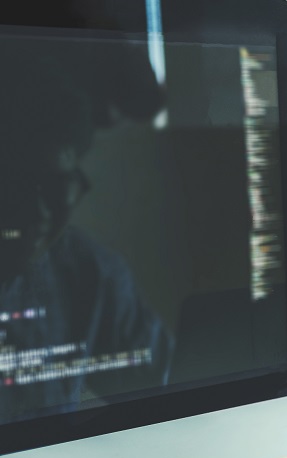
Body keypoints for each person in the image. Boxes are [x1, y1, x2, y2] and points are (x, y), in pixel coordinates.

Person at [0, 39, 173, 422]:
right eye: (15, 184)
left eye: (56, 186)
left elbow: (171, 385)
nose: (39, 212)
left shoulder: (86, 271)